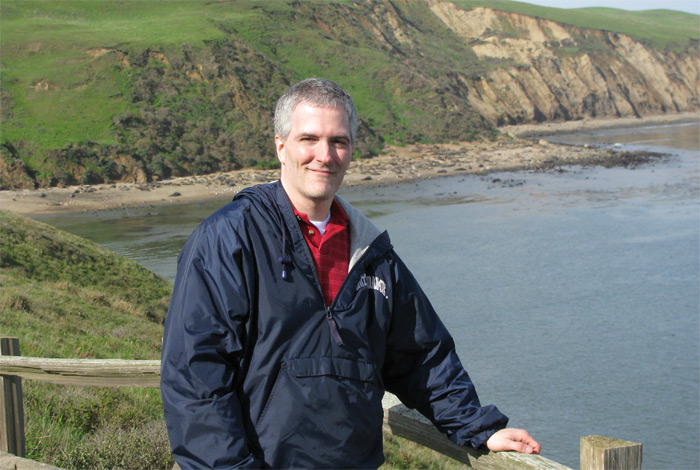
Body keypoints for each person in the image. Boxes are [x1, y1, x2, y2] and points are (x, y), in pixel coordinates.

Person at [161, 78, 540, 469]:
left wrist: (478, 425)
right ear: (281, 147)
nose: (324, 155)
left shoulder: (373, 253)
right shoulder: (228, 239)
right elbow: (195, 377)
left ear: (351, 150)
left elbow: (421, 355)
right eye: (309, 138)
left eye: (338, 141)